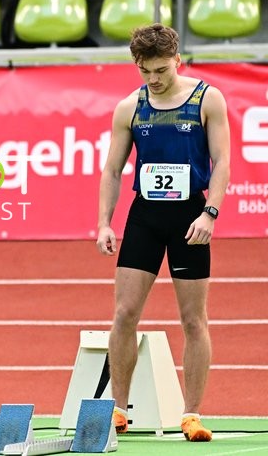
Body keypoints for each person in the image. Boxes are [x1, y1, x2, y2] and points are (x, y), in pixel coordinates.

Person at [96, 23, 230, 442]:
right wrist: (104, 221)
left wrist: (210, 214)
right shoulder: (129, 108)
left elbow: (223, 160)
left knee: (193, 319)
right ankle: (118, 409)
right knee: (124, 314)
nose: (153, 79)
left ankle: (191, 415)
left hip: (190, 218)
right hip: (146, 218)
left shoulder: (207, 99)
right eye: (145, 71)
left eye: (160, 71)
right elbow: (112, 170)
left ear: (177, 60)